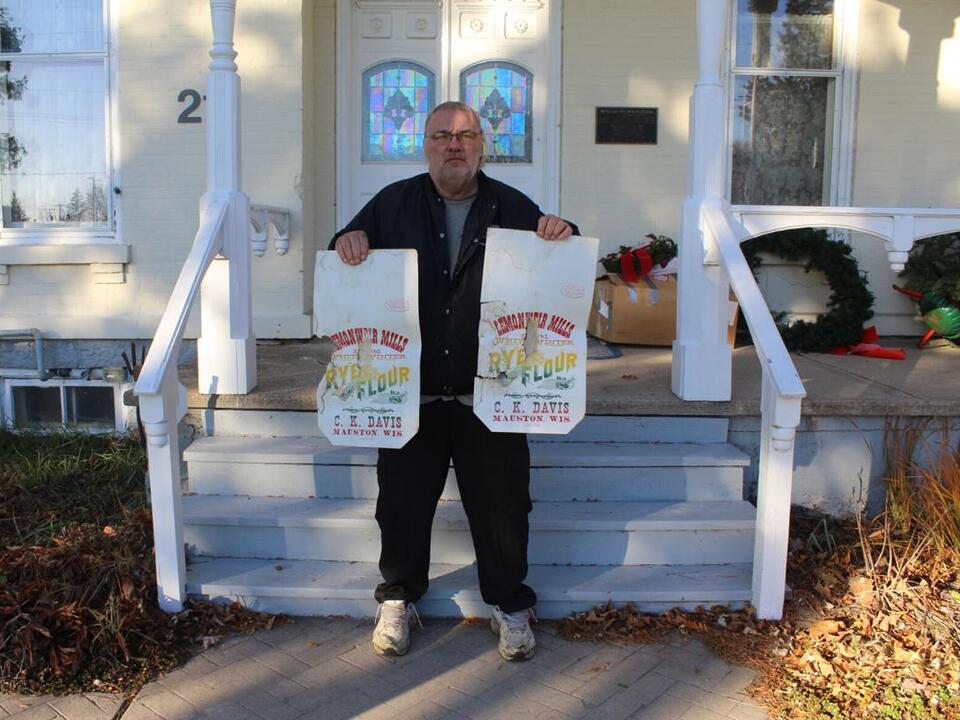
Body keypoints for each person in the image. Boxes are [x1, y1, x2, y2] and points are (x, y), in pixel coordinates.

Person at [332, 101, 577, 661]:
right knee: (401, 505)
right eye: (443, 135)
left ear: (481, 144)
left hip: (489, 392)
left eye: (465, 135)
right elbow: (344, 255)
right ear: (426, 143)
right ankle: (397, 598)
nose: (454, 145)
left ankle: (510, 606)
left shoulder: (509, 205)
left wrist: (561, 230)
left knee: (504, 507)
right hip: (409, 393)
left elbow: (561, 249)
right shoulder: (394, 203)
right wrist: (346, 242)